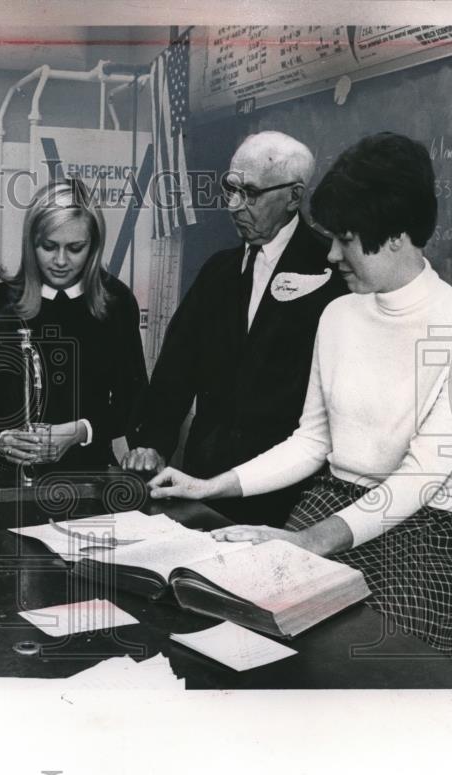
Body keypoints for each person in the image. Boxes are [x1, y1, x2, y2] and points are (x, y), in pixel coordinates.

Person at [148, 133, 452, 655]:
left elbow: (421, 477)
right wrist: (209, 487)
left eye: (344, 238)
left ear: (394, 236)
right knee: (251, 641)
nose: (329, 254)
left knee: (372, 668)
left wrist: (308, 542)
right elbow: (312, 441)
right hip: (332, 505)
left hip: (430, 536)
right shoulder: (339, 314)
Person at [124, 131, 348, 526]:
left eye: (251, 193)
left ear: (294, 197)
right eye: (230, 189)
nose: (233, 205)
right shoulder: (217, 271)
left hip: (288, 495)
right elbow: (176, 369)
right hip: (204, 484)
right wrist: (152, 443)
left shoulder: (332, 273)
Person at [0, 177, 147, 473]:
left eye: (75, 248)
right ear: (30, 243)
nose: (61, 261)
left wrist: (80, 431)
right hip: (4, 478)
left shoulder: (117, 302)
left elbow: (134, 401)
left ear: (94, 246)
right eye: (48, 246)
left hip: (86, 476)